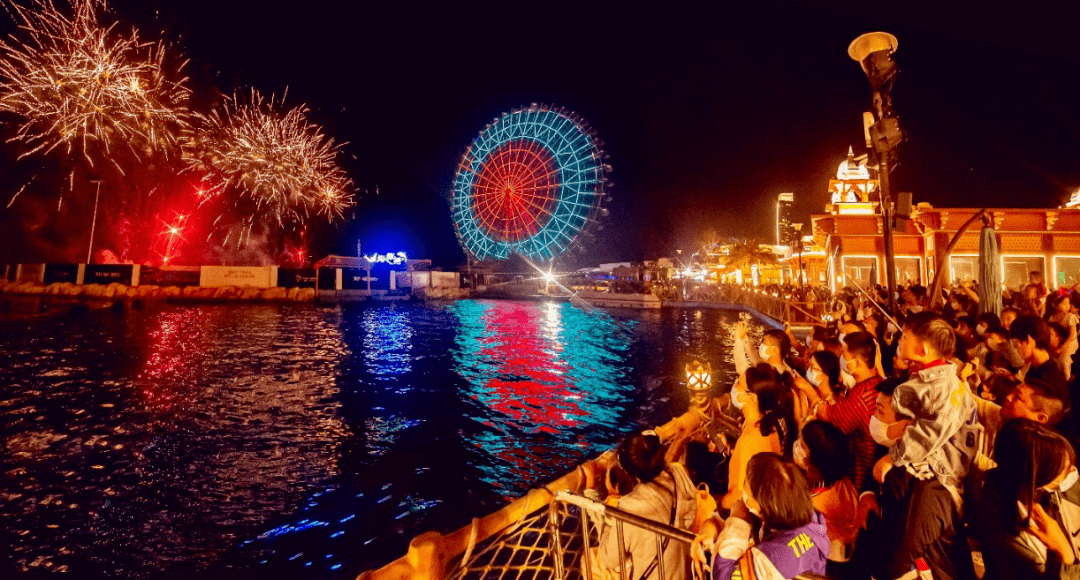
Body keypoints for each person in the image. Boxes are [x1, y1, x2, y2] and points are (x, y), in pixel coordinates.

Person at [865, 377, 977, 580]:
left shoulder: (930, 483)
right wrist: (867, 494)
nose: (873, 418)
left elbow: (906, 554)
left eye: (880, 412)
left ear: (907, 425)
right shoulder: (894, 450)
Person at [875, 312, 981, 500]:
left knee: (893, 480)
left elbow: (929, 433)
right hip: (927, 455)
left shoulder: (945, 388)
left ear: (922, 351)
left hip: (941, 467)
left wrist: (894, 457)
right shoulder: (925, 376)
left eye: (904, 337)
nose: (899, 341)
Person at [693, 453, 828, 579]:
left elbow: (723, 575)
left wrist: (737, 523)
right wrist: (708, 535)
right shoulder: (799, 512)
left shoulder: (778, 558)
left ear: (762, 503)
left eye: (746, 483)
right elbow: (718, 520)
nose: (742, 491)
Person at [974, 419, 1080, 580]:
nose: (1072, 472)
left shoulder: (1062, 490)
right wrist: (1064, 555)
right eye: (1062, 470)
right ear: (1035, 476)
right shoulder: (1003, 524)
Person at [598, 429, 698, 580]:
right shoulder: (679, 477)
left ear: (627, 468)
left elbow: (609, 558)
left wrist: (601, 513)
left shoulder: (631, 508)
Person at [795, 332, 881, 490]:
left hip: (860, 476)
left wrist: (809, 391)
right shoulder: (870, 385)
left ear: (855, 363)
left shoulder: (862, 396)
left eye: (844, 355)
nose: (841, 359)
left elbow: (831, 418)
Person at [722, 364, 794, 510]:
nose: (735, 386)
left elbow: (737, 494)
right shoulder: (771, 424)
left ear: (753, 397)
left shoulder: (749, 439)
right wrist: (731, 449)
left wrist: (718, 506)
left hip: (747, 510)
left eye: (739, 384)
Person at [795, 420, 862, 571]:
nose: (797, 446)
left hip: (828, 566)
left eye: (803, 445)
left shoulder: (814, 507)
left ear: (815, 459)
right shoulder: (845, 483)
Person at [1010, 314, 1069, 399]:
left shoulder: (1048, 378)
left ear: (1029, 341)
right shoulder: (1036, 366)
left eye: (1015, 341)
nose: (1015, 347)